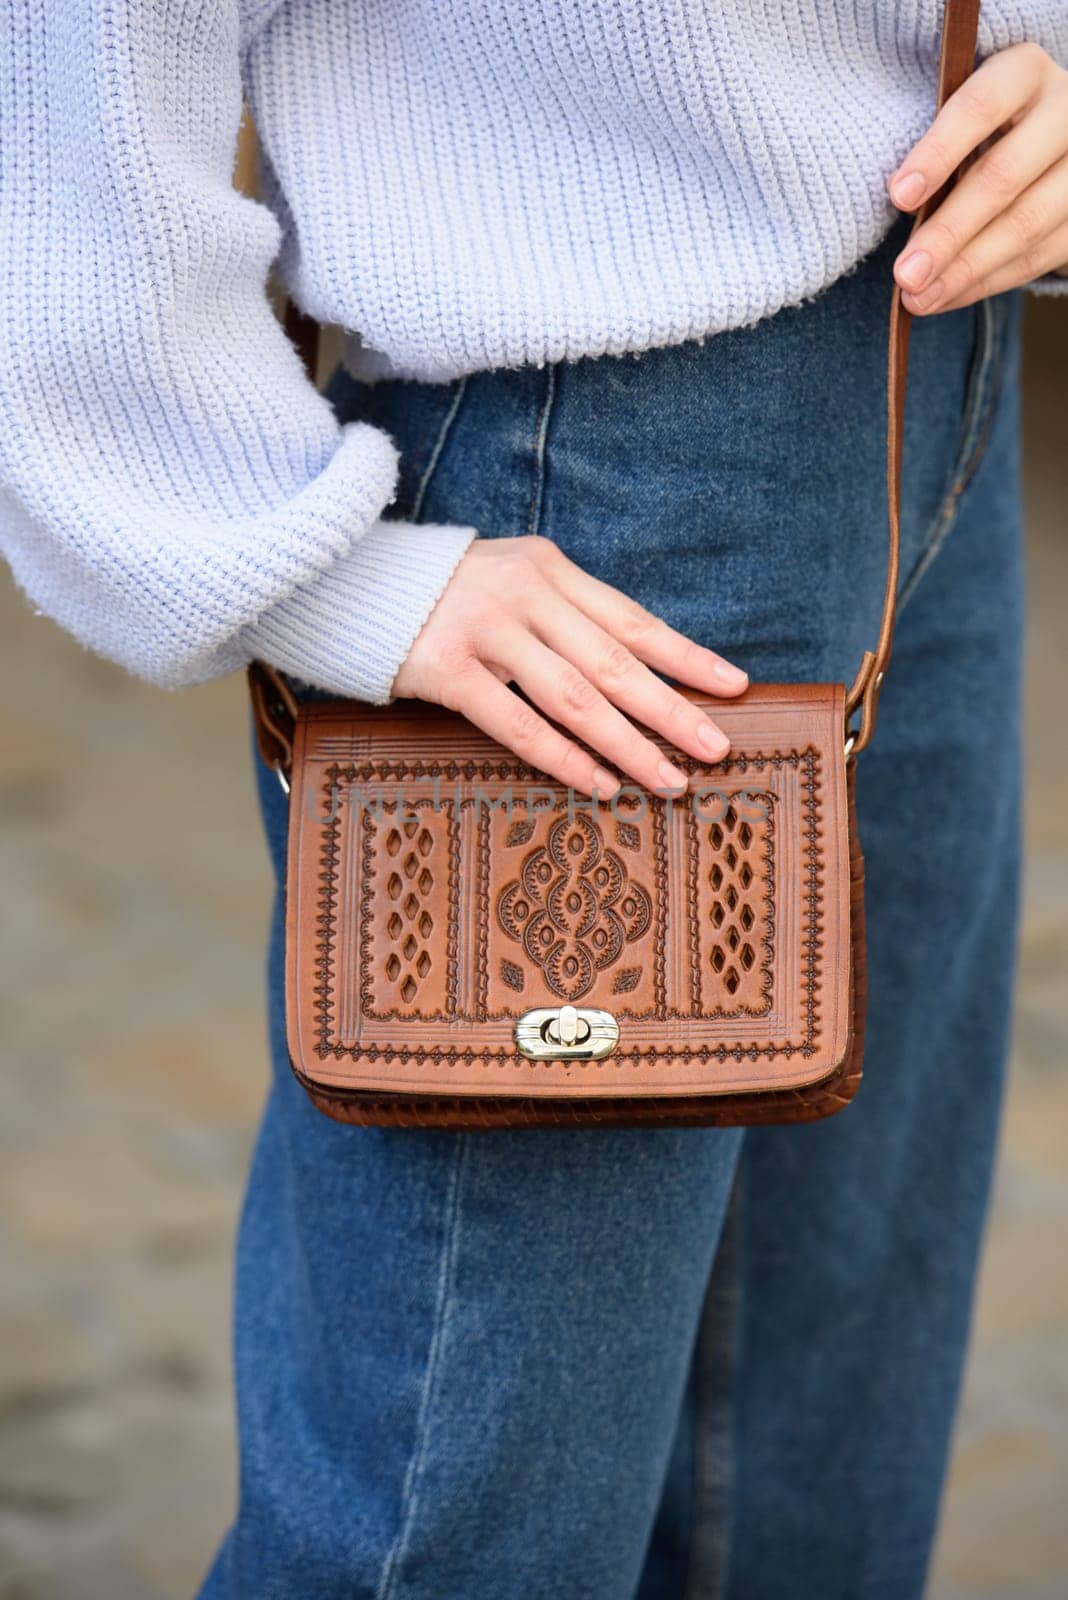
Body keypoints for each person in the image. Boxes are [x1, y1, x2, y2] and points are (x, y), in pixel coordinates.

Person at [2, 5, 1067, 1596]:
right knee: (449, 1542)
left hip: (935, 367)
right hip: (598, 483)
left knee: (817, 1494)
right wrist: (277, 549)